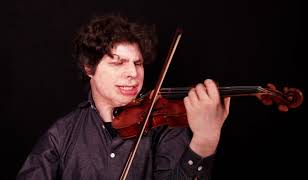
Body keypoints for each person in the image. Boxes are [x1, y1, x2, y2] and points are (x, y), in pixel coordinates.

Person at [16, 13, 231, 180]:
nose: (133, 73)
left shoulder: (165, 128)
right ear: (89, 68)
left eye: (137, 63)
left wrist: (204, 142)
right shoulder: (61, 135)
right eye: (118, 62)